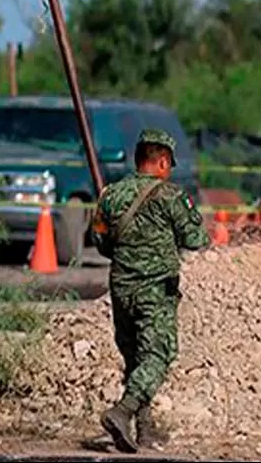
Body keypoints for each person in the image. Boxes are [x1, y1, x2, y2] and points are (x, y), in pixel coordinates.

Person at [90, 128, 210, 454]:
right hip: (155, 289)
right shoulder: (170, 196)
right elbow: (195, 239)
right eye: (169, 163)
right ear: (160, 161)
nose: (169, 170)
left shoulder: (110, 195)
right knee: (159, 355)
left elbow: (99, 241)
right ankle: (123, 411)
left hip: (121, 288)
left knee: (135, 359)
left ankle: (143, 429)